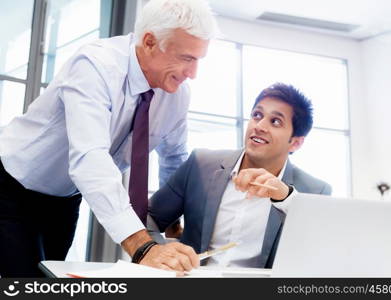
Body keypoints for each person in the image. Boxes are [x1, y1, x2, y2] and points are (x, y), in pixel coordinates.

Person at [0, 0, 217, 277]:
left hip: (65, 199)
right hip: (13, 186)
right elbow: (90, 158)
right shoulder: (95, 65)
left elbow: (174, 158)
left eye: (198, 60)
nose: (193, 74)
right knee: (24, 282)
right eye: (187, 58)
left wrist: (174, 224)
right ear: (150, 42)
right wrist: (143, 247)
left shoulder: (176, 94)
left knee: (50, 280)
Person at [148, 82, 332, 268]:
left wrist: (286, 199)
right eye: (257, 115)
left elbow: (320, 254)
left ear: (295, 143)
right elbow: (149, 218)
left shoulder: (314, 192)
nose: (259, 126)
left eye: (275, 121)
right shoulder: (201, 165)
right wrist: (159, 252)